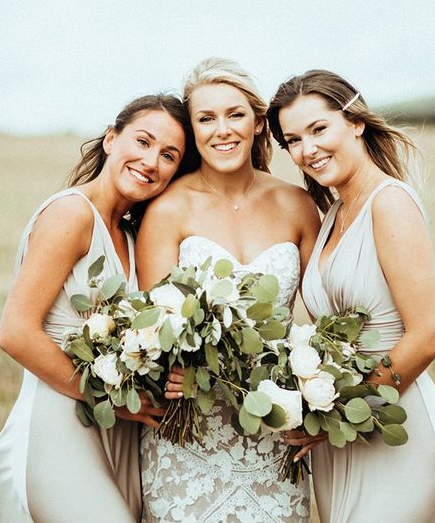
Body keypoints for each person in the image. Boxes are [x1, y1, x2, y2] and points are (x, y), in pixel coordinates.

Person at [267, 70, 435, 523]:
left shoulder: (389, 202)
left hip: (395, 427)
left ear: (354, 122)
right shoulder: (335, 211)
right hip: (341, 442)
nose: (308, 149)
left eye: (319, 129)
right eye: (293, 140)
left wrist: (342, 411)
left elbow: (429, 335)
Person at [0, 94, 196, 523]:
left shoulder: (133, 236)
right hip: (61, 423)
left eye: (169, 155)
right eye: (143, 142)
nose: (151, 161)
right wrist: (113, 399)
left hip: (117, 435)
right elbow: (15, 332)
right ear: (111, 139)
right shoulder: (72, 214)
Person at [137, 58, 320, 523]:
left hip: (274, 433)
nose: (223, 130)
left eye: (235, 114)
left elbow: (323, 319)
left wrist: (321, 393)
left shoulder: (296, 204)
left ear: (259, 123)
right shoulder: (168, 209)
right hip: (190, 435)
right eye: (206, 118)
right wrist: (172, 370)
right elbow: (151, 325)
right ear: (193, 131)